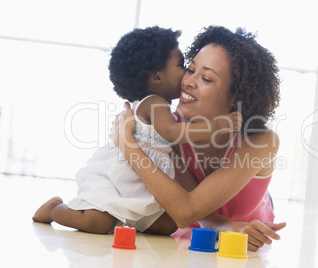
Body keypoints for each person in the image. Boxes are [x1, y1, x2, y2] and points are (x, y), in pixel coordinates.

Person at [32, 26, 242, 235]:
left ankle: (124, 220)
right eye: (182, 66)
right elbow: (172, 133)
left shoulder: (161, 106)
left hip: (140, 180)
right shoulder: (154, 103)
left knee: (167, 225)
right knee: (97, 223)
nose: (186, 75)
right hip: (116, 177)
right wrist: (217, 126)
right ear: (157, 77)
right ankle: (53, 210)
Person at [111, 25, 286, 251]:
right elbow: (191, 213)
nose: (188, 82)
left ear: (236, 96)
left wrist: (129, 146)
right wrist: (230, 227)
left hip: (249, 218)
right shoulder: (171, 131)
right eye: (190, 69)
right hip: (198, 229)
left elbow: (187, 210)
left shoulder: (262, 141)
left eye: (206, 78)